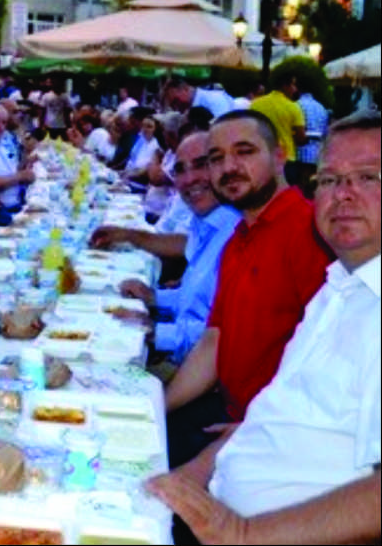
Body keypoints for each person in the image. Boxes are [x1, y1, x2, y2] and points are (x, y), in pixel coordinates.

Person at [146, 110, 381, 545]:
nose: (343, 195)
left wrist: (239, 532)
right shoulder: (338, 286)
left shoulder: (309, 243)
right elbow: (232, 360)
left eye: (368, 177)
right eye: (329, 180)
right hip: (231, 465)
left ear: (280, 158)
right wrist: (181, 457)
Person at [163, 109, 332, 468]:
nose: (229, 167)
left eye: (244, 151)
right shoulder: (239, 238)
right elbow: (214, 341)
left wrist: (260, 431)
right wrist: (157, 406)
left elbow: (329, 363)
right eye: (216, 158)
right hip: (227, 411)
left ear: (279, 156)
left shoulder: (309, 233)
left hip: (273, 436)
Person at [118, 132, 241, 366]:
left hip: (198, 376)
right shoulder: (205, 223)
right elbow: (198, 301)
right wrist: (154, 297)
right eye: (180, 170)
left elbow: (221, 335)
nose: (189, 178)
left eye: (201, 165)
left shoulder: (238, 234)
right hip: (180, 357)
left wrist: (156, 332)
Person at [250, 76, 307, 186]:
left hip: (260, 155)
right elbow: (301, 137)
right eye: (293, 85)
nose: (295, 89)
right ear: (285, 86)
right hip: (286, 158)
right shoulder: (293, 107)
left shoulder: (256, 104)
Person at [294, 84, 329, 198]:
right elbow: (325, 130)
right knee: (314, 183)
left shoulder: (297, 105)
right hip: (318, 150)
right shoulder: (321, 107)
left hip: (301, 150)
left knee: (301, 184)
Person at [165, 76, 235, 119]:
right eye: (172, 105)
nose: (176, 108)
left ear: (185, 89)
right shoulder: (189, 111)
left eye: (176, 101)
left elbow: (224, 124)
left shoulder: (213, 99)